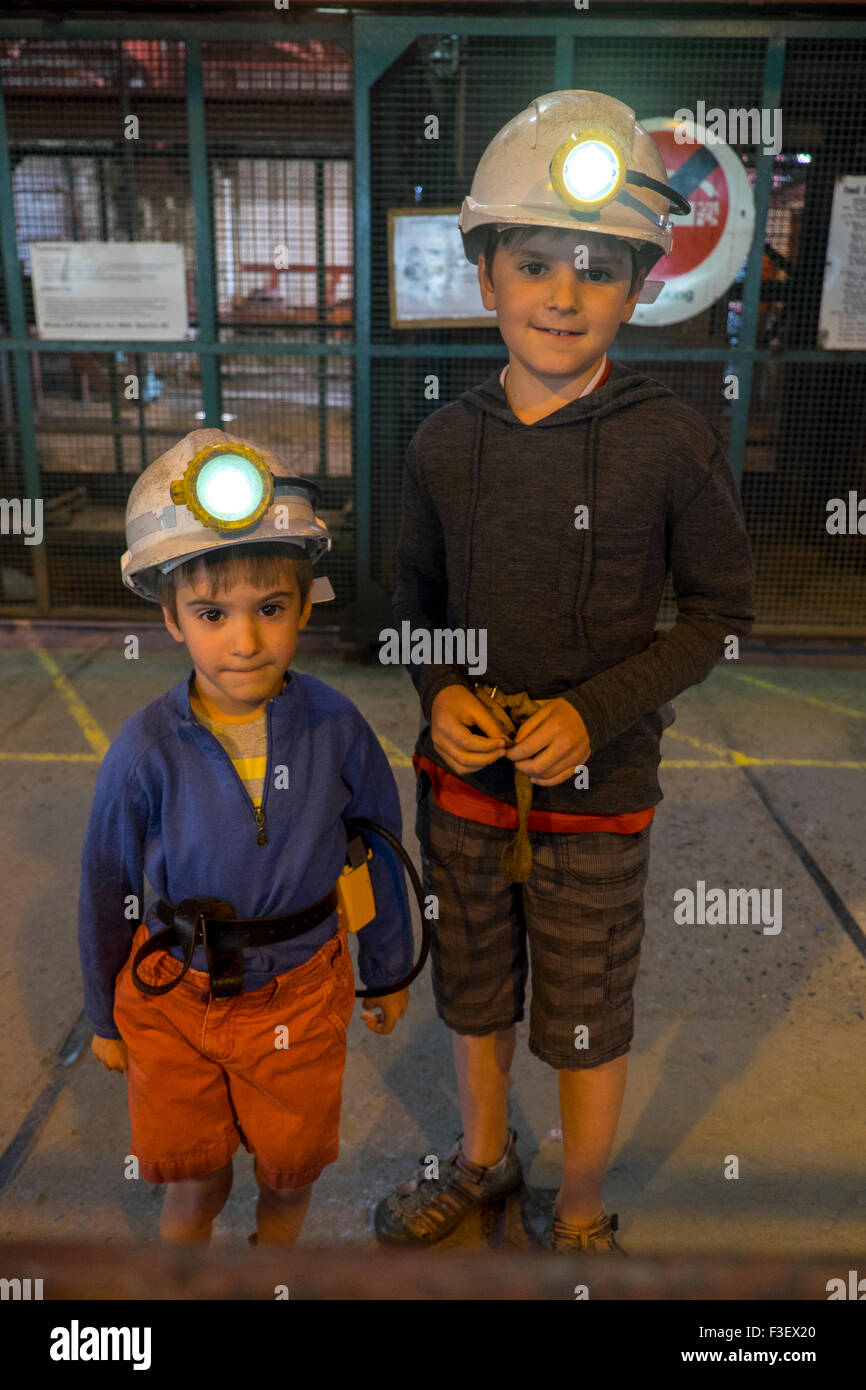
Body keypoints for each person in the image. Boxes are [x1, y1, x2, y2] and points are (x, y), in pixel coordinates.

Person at [379, 90, 755, 1252]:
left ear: (639, 285)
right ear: (485, 273)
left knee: (585, 1014)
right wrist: (437, 692)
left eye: (596, 268)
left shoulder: (669, 442)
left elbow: (718, 616)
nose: (560, 293)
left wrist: (593, 714)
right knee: (474, 991)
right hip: (465, 796)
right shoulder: (443, 443)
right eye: (533, 261)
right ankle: (484, 1162)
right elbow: (411, 608)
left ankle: (580, 1207)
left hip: (598, 803)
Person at [78, 428, 413, 1246]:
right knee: (194, 1181)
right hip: (174, 994)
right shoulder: (142, 752)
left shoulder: (337, 726)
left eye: (270, 608)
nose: (245, 640)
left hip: (302, 990)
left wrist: (388, 963)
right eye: (212, 613)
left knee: (288, 1175)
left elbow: (379, 843)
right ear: (170, 618)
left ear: (305, 604)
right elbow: (107, 886)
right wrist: (103, 1013)